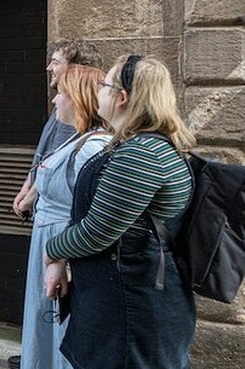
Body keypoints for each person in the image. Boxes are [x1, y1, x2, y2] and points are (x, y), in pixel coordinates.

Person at [44, 55, 196, 368]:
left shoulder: (141, 156)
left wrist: (52, 251)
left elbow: (97, 232)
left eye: (105, 85)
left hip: (130, 304)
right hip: (120, 297)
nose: (99, 91)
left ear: (122, 97)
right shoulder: (140, 145)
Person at [9, 40, 100, 369]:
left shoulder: (81, 133)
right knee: (42, 309)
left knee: (53, 310)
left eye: (56, 61)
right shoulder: (60, 114)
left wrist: (30, 195)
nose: (49, 68)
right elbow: (43, 160)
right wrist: (27, 188)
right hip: (50, 232)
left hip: (59, 235)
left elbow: (61, 174)